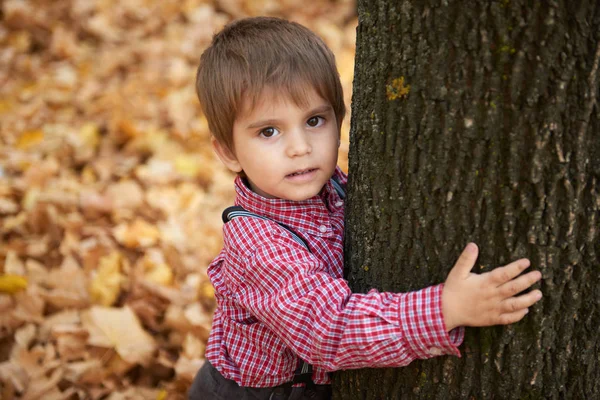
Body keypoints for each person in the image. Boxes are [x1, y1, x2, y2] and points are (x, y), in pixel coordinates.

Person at [188, 16, 543, 400]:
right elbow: (328, 329)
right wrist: (444, 309)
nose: (300, 147)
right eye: (268, 131)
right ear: (227, 151)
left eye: (314, 120)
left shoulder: (333, 186)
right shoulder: (258, 243)